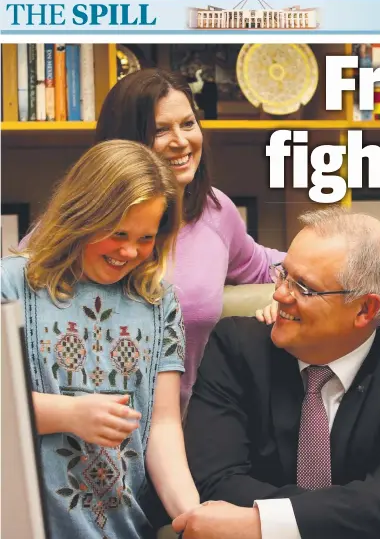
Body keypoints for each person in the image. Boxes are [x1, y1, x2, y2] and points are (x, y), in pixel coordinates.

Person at [175, 207, 380, 539]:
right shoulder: (235, 348)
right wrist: (377, 517)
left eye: (304, 288)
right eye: (283, 274)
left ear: (365, 308)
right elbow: (215, 481)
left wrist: (257, 524)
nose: (278, 294)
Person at [1, 140, 200, 538]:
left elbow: (162, 426)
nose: (129, 251)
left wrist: (192, 516)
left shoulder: (160, 302)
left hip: (128, 526)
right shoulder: (12, 284)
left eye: (146, 239)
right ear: (83, 215)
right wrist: (68, 414)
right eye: (118, 233)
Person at [94, 68, 286, 412]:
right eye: (160, 130)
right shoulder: (86, 219)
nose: (181, 141)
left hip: (187, 429)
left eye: (188, 124)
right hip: (95, 430)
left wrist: (354, 273)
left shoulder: (214, 210)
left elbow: (263, 264)